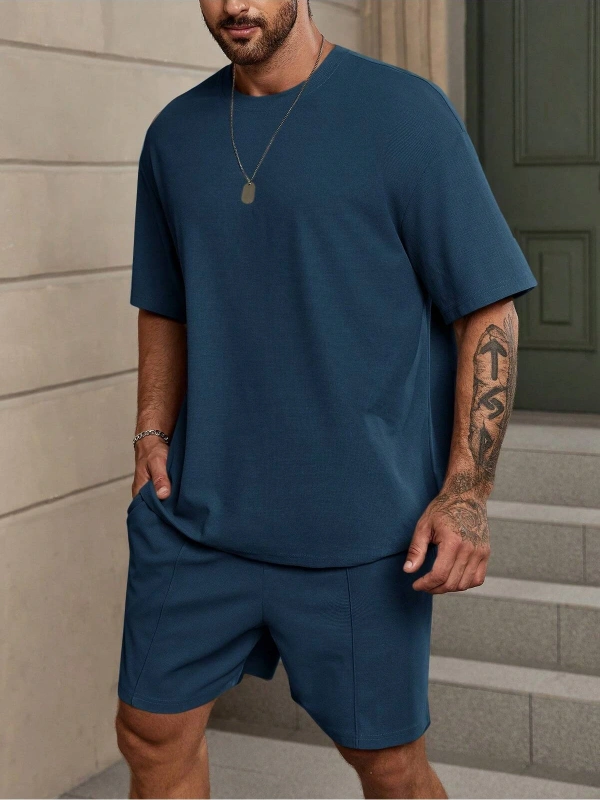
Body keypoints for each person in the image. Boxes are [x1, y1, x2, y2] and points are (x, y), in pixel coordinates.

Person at [114, 1, 538, 797]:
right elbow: (164, 305)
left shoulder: (406, 115)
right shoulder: (173, 136)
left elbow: (489, 311)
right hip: (198, 516)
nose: (236, 5)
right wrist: (149, 432)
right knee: (149, 734)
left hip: (361, 529)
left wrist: (467, 492)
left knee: (389, 766)